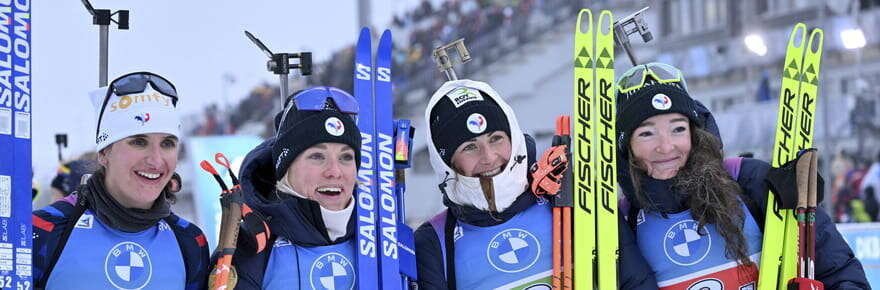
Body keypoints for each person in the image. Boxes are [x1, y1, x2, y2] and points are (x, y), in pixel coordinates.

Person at [614, 63, 869, 289]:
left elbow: (841, 272)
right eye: (647, 134)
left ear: (695, 133)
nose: (666, 146)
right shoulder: (622, 222)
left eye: (678, 129)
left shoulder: (748, 180)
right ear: (627, 146)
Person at [414, 79, 656, 289]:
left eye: (496, 138)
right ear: (446, 162)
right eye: (469, 147)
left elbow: (635, 281)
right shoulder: (434, 241)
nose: (488, 157)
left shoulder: (571, 197)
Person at [32, 72, 210, 289]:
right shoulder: (44, 230)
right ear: (104, 153)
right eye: (139, 142)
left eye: (167, 143)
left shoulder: (189, 241)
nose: (155, 160)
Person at [229, 86, 362, 289]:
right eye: (317, 156)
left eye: (346, 157)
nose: (334, 171)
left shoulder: (383, 238)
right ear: (286, 169)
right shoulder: (249, 248)